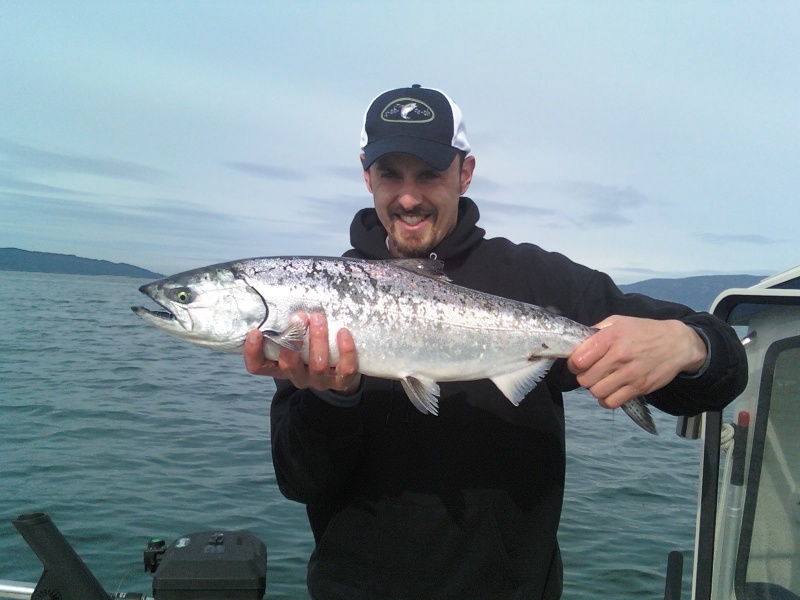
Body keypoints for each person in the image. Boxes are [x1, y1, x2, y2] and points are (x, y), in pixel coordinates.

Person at [243, 84, 747, 599]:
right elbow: (300, 482)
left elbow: (719, 375)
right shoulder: (320, 299)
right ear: (366, 174)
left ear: (465, 173)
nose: (409, 197)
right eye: (391, 174)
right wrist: (331, 398)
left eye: (431, 174)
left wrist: (691, 346)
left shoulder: (539, 280)